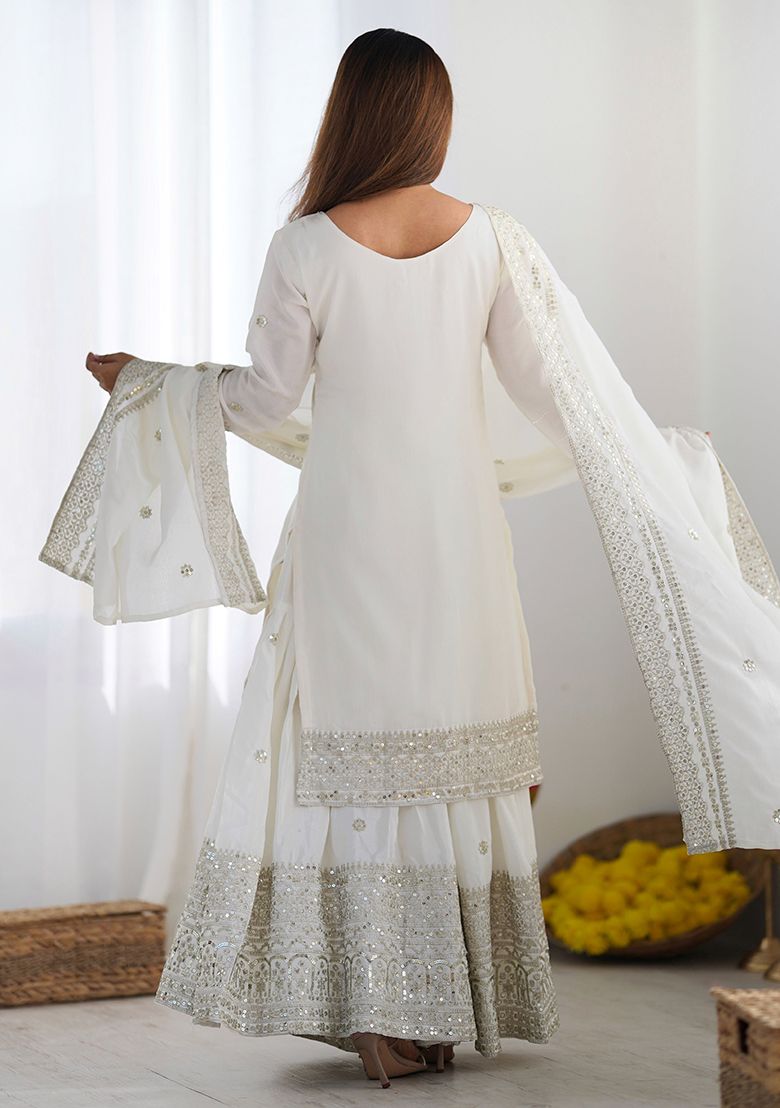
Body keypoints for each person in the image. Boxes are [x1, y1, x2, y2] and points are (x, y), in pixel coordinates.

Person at [42, 26, 780, 1092]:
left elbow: (261, 401)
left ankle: (378, 1013)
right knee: (456, 748)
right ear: (432, 119)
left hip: (348, 530)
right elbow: (549, 396)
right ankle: (439, 1015)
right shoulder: (495, 239)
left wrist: (150, 382)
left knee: (350, 758)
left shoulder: (304, 247)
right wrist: (649, 453)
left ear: (350, 116)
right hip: (459, 530)